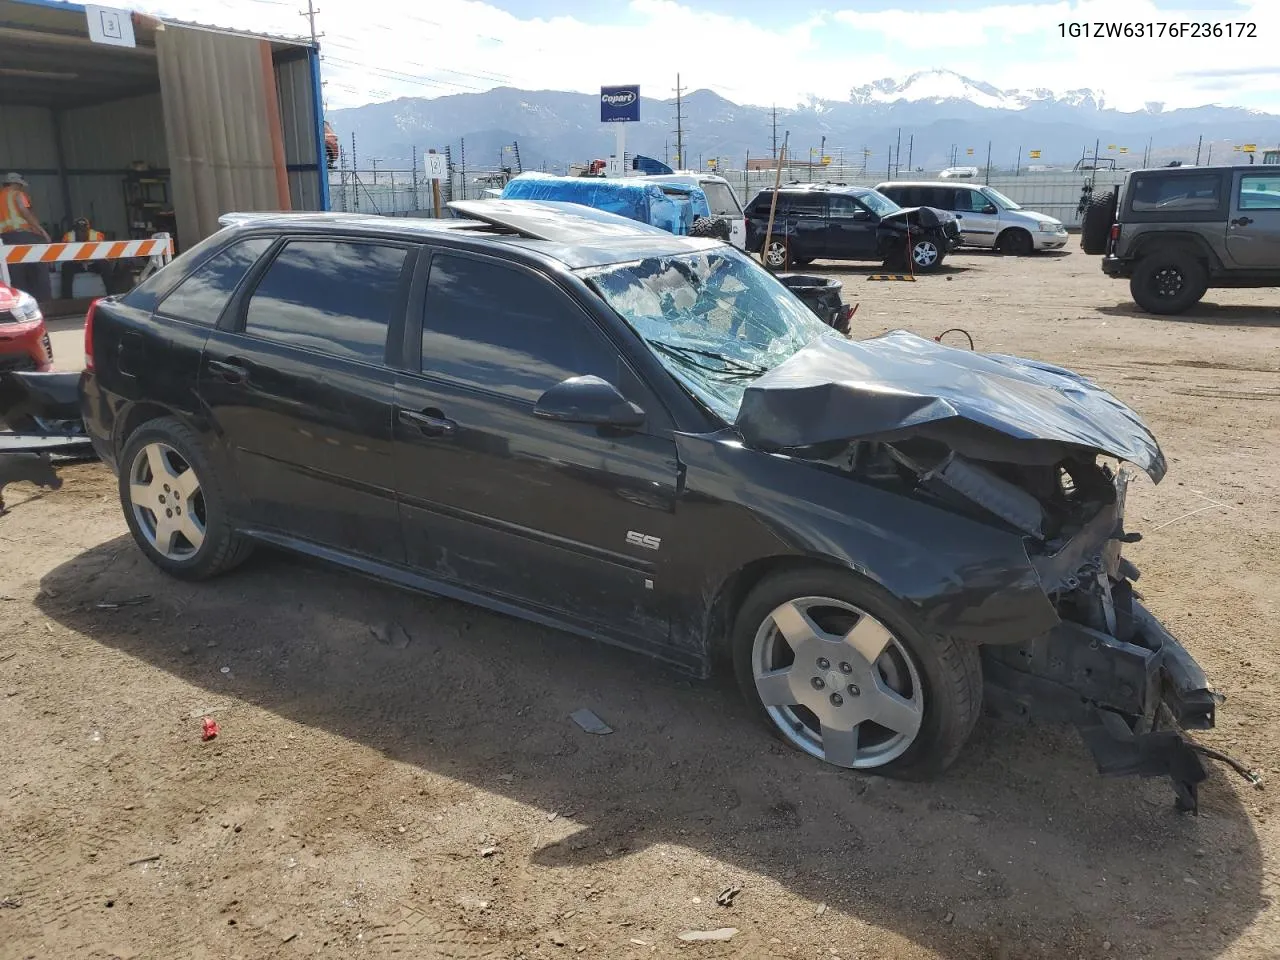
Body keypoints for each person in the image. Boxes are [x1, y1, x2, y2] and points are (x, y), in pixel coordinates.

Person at [0, 172, 52, 302]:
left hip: (5, 239)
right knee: (38, 267)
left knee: (15, 273)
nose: (21, 188)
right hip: (23, 234)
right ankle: (43, 303)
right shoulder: (17, 194)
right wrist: (42, 231)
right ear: (16, 183)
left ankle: (21, 304)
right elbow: (25, 212)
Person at [59, 217, 112, 299]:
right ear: (75, 230)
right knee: (66, 266)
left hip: (93, 264)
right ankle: (67, 300)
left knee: (105, 264)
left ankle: (111, 296)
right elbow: (64, 255)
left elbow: (103, 253)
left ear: (88, 229)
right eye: (79, 230)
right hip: (77, 264)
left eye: (84, 230)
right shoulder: (68, 237)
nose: (81, 233)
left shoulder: (97, 236)